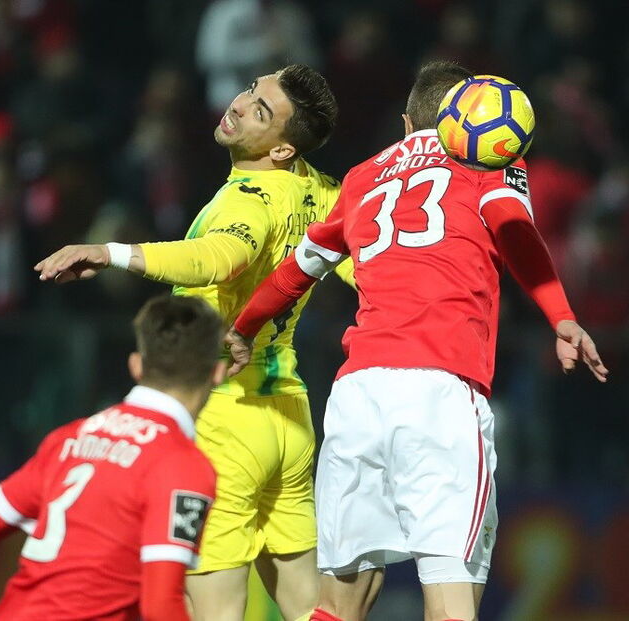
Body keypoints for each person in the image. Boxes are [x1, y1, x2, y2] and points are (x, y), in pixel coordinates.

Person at [225, 61, 609, 621]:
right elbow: (515, 231)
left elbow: (294, 272)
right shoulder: (487, 157)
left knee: (336, 605)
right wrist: (562, 317)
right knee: (452, 599)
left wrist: (242, 329)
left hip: (357, 396)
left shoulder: (362, 178)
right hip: (439, 392)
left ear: (407, 122)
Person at [33, 64, 351, 620]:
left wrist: (111, 253)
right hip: (289, 416)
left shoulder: (247, 200)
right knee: (309, 608)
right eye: (250, 90)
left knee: (213, 610)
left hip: (225, 417)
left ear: (282, 149)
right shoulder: (320, 190)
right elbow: (369, 263)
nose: (238, 105)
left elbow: (219, 257)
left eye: (260, 111)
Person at [0, 295, 225, 621]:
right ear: (218, 372)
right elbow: (160, 603)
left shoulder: (71, 438)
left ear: (136, 365)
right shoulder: (182, 466)